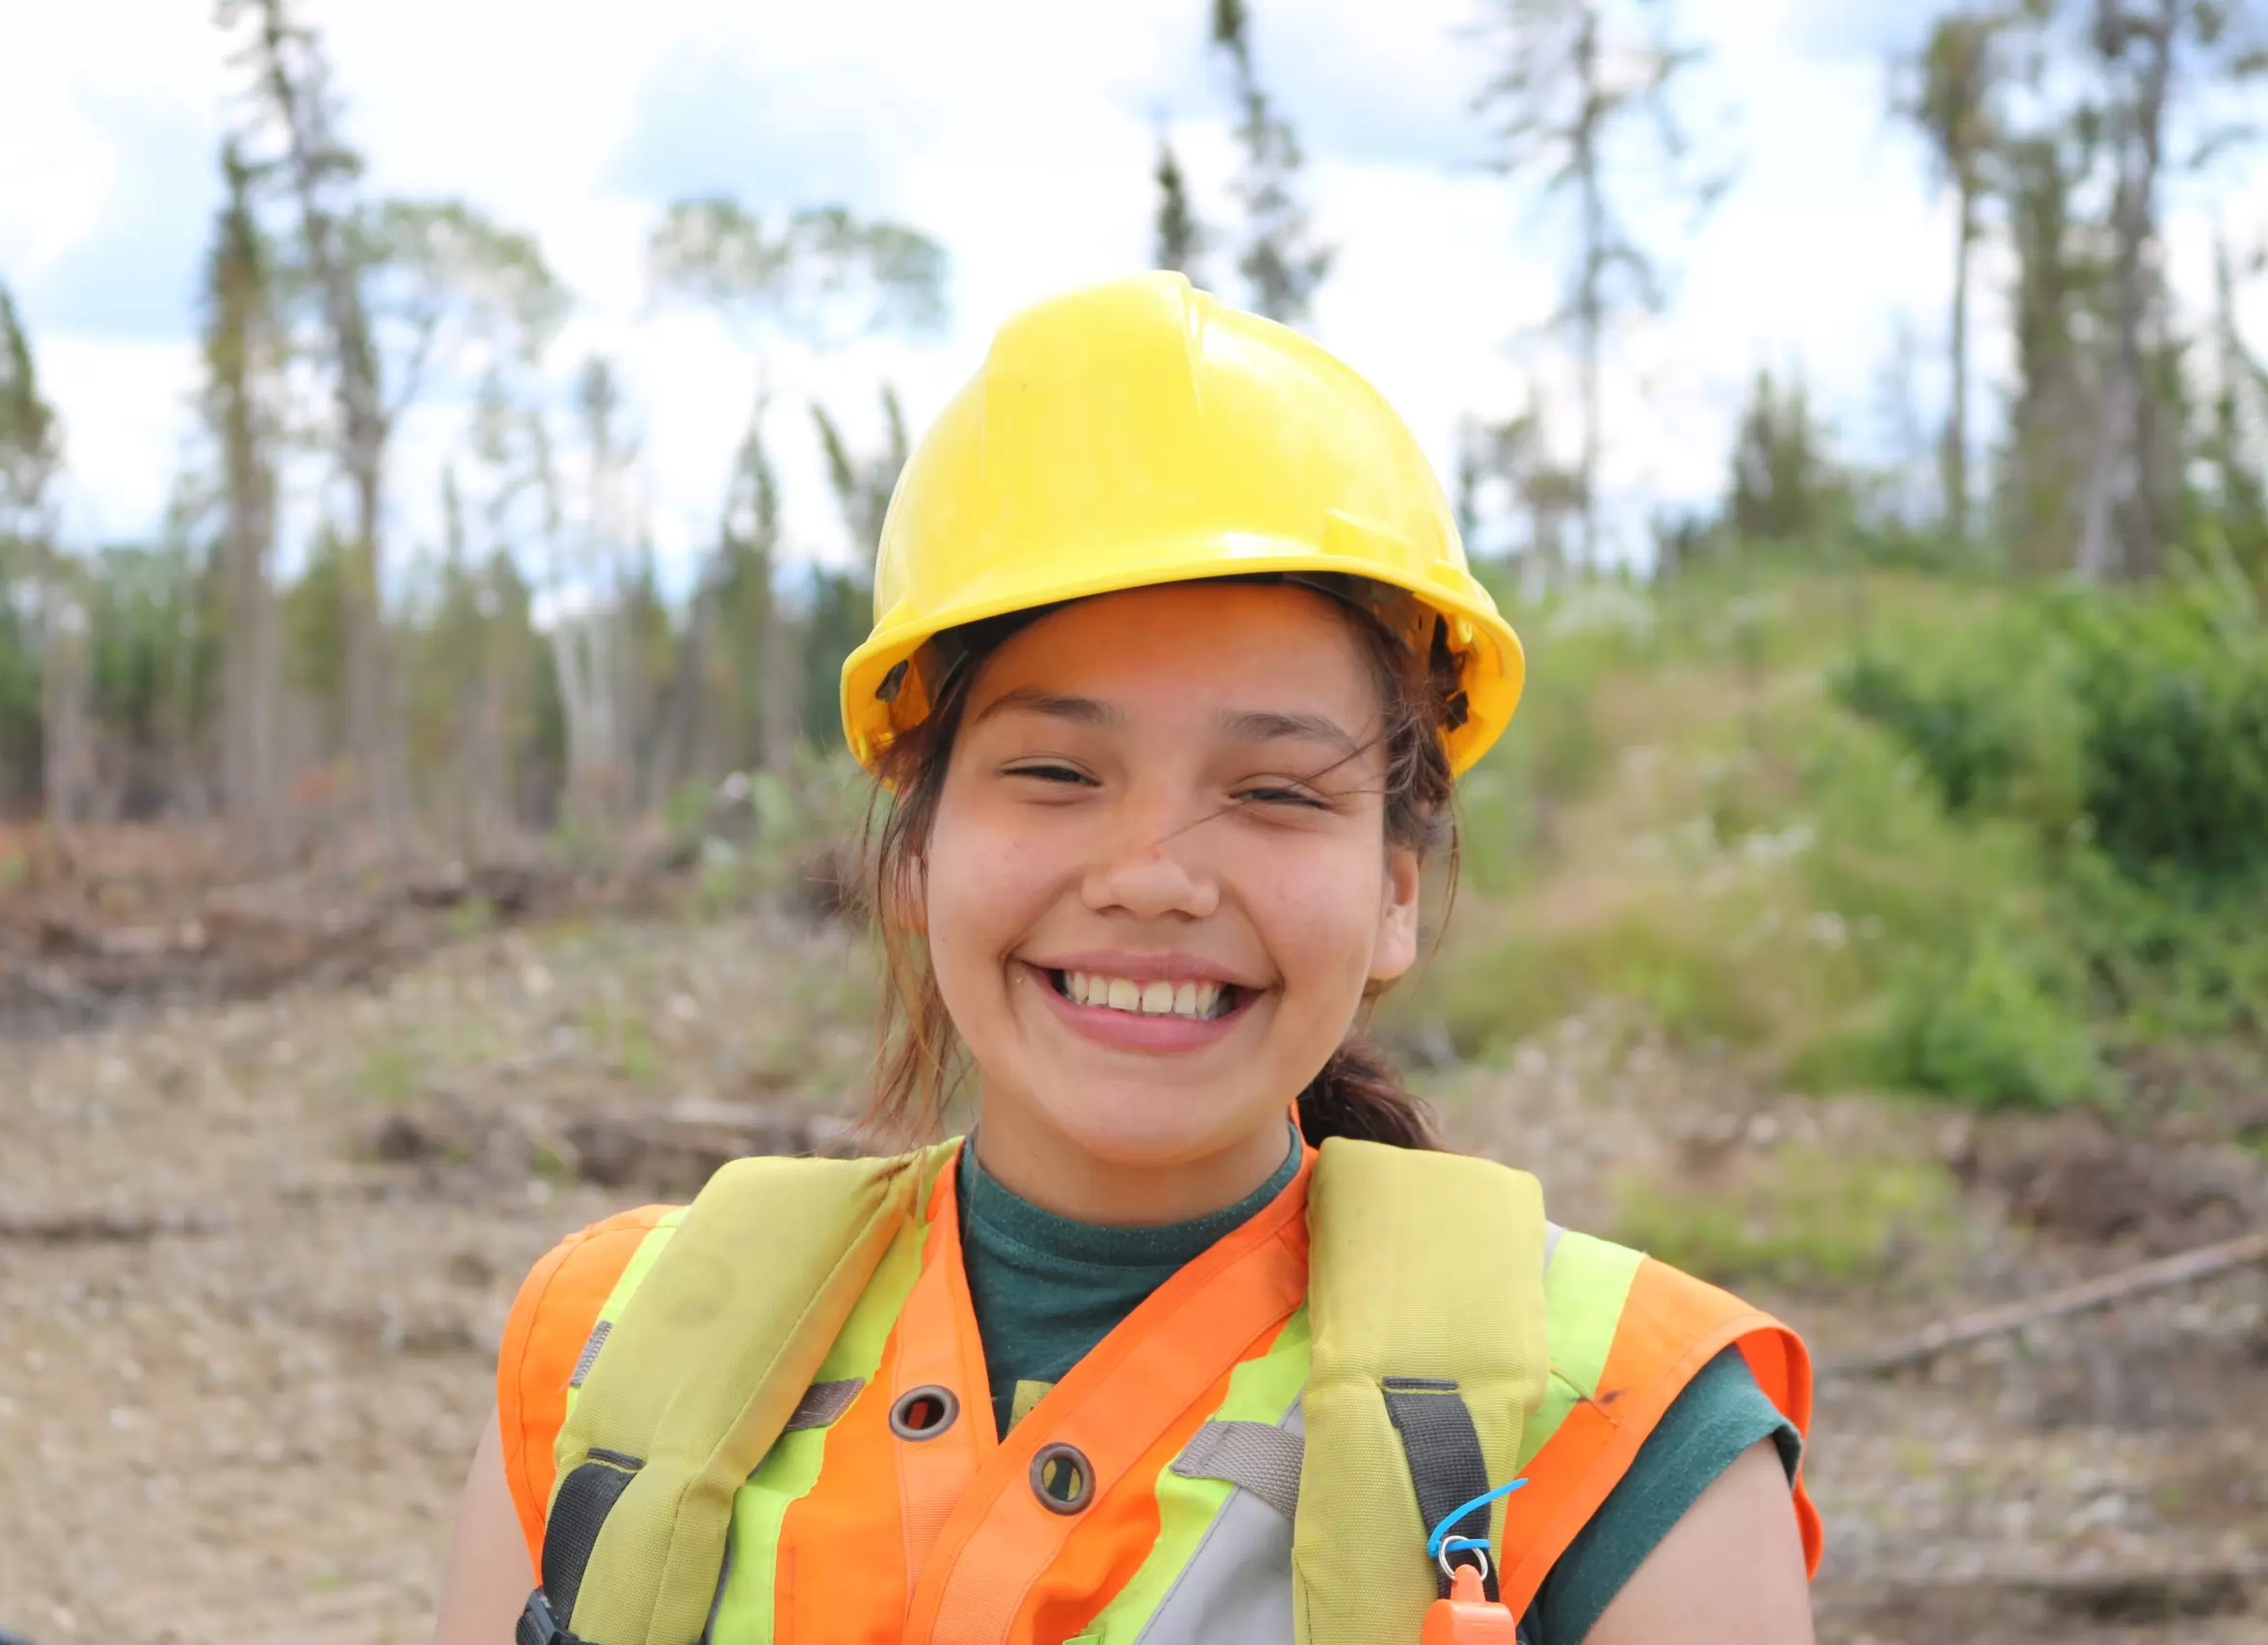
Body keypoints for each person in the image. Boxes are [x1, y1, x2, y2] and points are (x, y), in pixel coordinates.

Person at [431, 273, 1820, 1645]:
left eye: (1275, 791)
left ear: (1395, 890)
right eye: (1054, 769)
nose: (1154, 878)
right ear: (912, 851)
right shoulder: (609, 1359)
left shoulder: (1624, 1434)